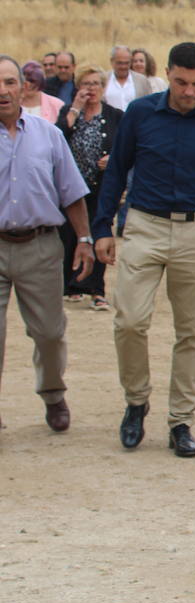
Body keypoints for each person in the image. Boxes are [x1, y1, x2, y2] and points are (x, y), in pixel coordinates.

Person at [93, 42, 195, 459]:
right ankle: (136, 401)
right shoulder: (140, 113)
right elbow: (117, 170)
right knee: (129, 320)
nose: (189, 91)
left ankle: (181, 421)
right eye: (181, 82)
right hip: (143, 225)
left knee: (191, 330)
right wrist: (102, 227)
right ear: (168, 74)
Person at [0, 55, 95, 434]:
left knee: (49, 333)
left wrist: (84, 239)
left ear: (23, 87)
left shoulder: (48, 135)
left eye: (9, 82)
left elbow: (71, 192)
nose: (2, 91)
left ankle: (53, 393)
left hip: (40, 246)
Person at [57, 66, 122, 310]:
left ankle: (96, 290)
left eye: (95, 83)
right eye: (86, 84)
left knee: (99, 233)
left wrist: (113, 159)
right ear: (78, 87)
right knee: (69, 235)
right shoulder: (69, 111)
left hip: (101, 186)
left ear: (103, 87)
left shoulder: (115, 115)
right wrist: (75, 108)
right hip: (71, 187)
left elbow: (127, 148)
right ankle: (72, 286)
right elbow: (57, 136)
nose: (91, 88)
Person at [104, 45, 152, 111]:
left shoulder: (142, 81)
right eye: (120, 63)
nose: (123, 66)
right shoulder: (103, 79)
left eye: (126, 63)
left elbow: (149, 105)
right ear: (112, 61)